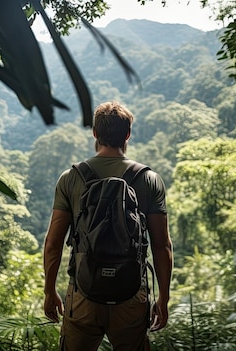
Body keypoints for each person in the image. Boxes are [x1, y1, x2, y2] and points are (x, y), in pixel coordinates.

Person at [43, 101, 173, 350]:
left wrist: (50, 291)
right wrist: (163, 299)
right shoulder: (149, 180)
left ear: (95, 133)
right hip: (132, 294)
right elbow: (162, 246)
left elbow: (53, 243)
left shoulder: (71, 178)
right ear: (127, 134)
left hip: (83, 293)